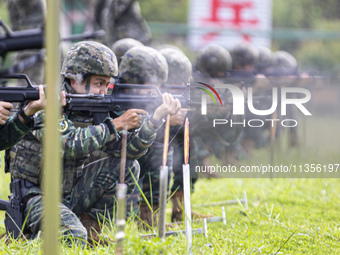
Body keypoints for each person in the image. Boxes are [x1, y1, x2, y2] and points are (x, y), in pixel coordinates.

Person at [5, 41, 180, 245]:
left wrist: (154, 121)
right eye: (98, 83)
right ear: (75, 78)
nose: (103, 91)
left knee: (127, 166)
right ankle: (33, 236)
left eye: (107, 84)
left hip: (70, 193)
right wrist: (116, 124)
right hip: (35, 196)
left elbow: (128, 152)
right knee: (73, 236)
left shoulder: (93, 108)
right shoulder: (44, 101)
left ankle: (91, 227)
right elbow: (68, 145)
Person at [118, 45, 175, 228]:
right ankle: (126, 215)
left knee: (160, 149)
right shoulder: (112, 100)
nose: (156, 90)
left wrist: (162, 120)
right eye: (150, 85)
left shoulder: (141, 100)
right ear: (131, 82)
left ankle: (149, 215)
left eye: (159, 85)